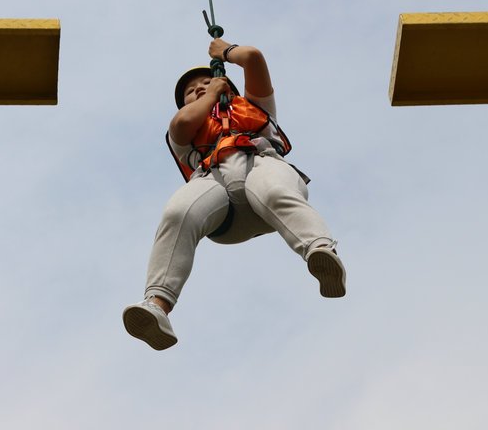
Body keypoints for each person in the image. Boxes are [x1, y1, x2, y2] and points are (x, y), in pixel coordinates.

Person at [122, 38, 345, 350]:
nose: (198, 88)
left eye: (205, 83)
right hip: (217, 193)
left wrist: (225, 52)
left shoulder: (255, 108)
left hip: (261, 166)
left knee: (275, 190)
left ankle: (320, 251)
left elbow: (253, 58)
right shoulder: (184, 133)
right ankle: (157, 305)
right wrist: (212, 92)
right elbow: (183, 123)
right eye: (191, 91)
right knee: (177, 213)